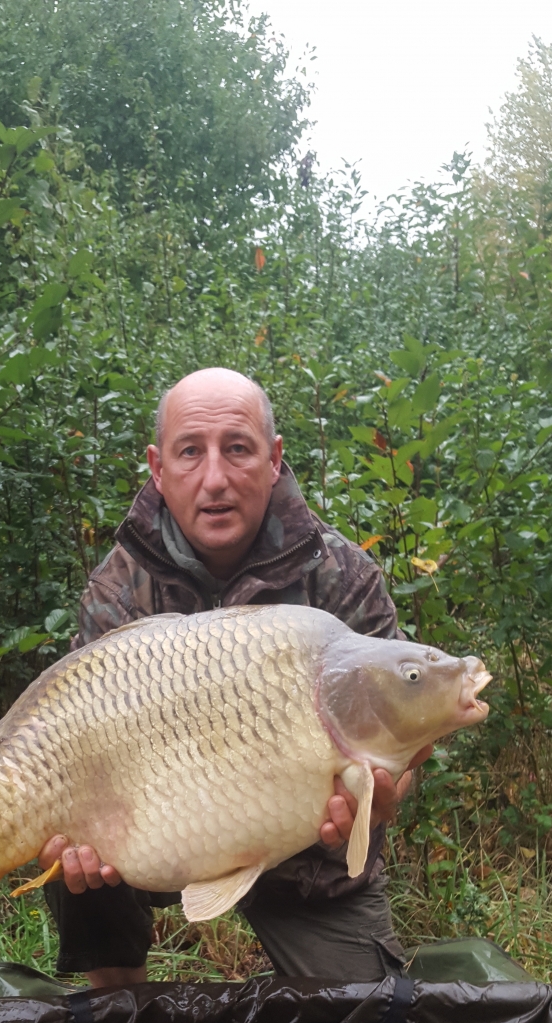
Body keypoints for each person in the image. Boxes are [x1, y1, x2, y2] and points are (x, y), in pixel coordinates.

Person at [37, 367, 431, 988]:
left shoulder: (343, 579)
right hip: (158, 838)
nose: (215, 478)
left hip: (309, 863)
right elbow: (67, 745)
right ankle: (125, 1018)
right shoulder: (119, 588)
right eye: (190, 452)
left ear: (274, 460)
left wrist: (382, 798)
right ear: (158, 468)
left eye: (239, 448)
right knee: (70, 851)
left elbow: (397, 735)